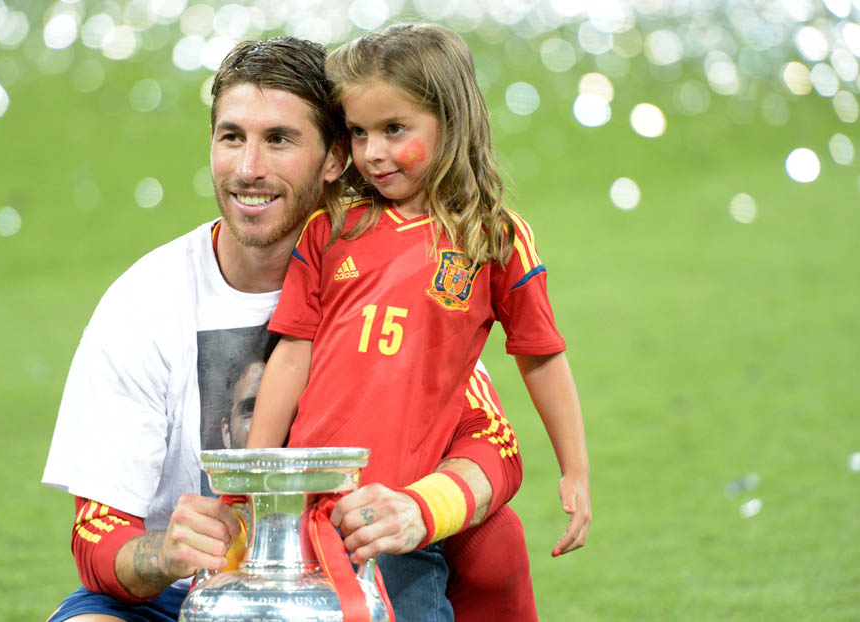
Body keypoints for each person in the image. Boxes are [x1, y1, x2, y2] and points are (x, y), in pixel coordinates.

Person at [42, 37, 544, 622]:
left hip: (339, 584)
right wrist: (165, 552)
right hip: (187, 596)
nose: (248, 168)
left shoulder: (394, 275)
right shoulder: (143, 303)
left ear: (335, 158)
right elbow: (95, 538)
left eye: (279, 140)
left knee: (492, 537)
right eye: (232, 137)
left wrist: (419, 507)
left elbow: (492, 443)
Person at [247, 22, 592, 621]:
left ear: (451, 123)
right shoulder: (330, 231)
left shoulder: (493, 239)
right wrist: (256, 478)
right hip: (306, 519)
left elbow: (540, 355)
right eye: (358, 133)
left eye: (394, 129)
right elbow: (293, 353)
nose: (373, 152)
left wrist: (576, 471)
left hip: (398, 528)